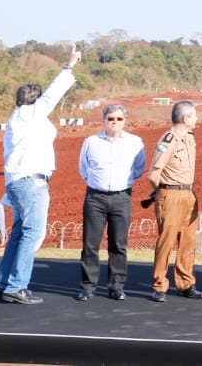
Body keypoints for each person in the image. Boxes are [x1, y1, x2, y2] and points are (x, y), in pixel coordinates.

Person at [0, 44, 80, 305]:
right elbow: (54, 93)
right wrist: (70, 65)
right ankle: (17, 286)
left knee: (19, 234)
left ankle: (5, 284)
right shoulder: (31, 113)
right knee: (32, 234)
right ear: (35, 99)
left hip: (17, 182)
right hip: (31, 182)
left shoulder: (18, 117)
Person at [75, 104, 145, 300]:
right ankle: (88, 287)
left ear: (125, 120)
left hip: (122, 197)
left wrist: (123, 183)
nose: (115, 122)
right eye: (111, 118)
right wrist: (95, 183)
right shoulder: (91, 142)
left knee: (118, 244)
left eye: (119, 119)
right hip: (95, 198)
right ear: (104, 120)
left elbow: (139, 168)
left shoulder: (134, 142)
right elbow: (83, 168)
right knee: (90, 244)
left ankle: (116, 287)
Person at [147, 100, 202, 303]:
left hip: (188, 194)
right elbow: (154, 173)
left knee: (188, 242)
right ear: (186, 118)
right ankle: (159, 285)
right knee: (167, 241)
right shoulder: (168, 140)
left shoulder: (189, 138)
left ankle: (186, 284)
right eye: (194, 115)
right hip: (170, 194)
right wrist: (162, 191)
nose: (197, 119)